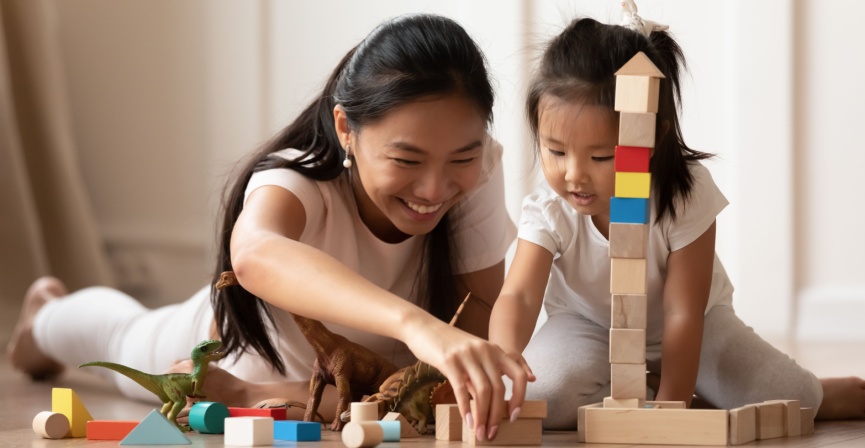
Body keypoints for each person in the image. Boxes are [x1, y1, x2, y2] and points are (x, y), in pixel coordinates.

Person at [8, 14, 532, 441]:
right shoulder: (295, 178)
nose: (436, 190)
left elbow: (482, 305)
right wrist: (419, 326)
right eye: (407, 160)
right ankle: (43, 317)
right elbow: (255, 254)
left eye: (460, 158)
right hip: (230, 350)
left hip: (353, 377)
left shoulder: (479, 167)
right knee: (121, 337)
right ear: (345, 128)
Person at [487, 9, 865, 429]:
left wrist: (671, 406)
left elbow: (682, 312)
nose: (573, 174)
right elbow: (520, 296)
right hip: (587, 326)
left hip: (696, 325)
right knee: (541, 398)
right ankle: (641, 387)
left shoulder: (686, 193)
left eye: (601, 156)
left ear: (651, 138)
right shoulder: (550, 209)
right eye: (555, 151)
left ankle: (815, 391)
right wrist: (503, 362)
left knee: (790, 395)